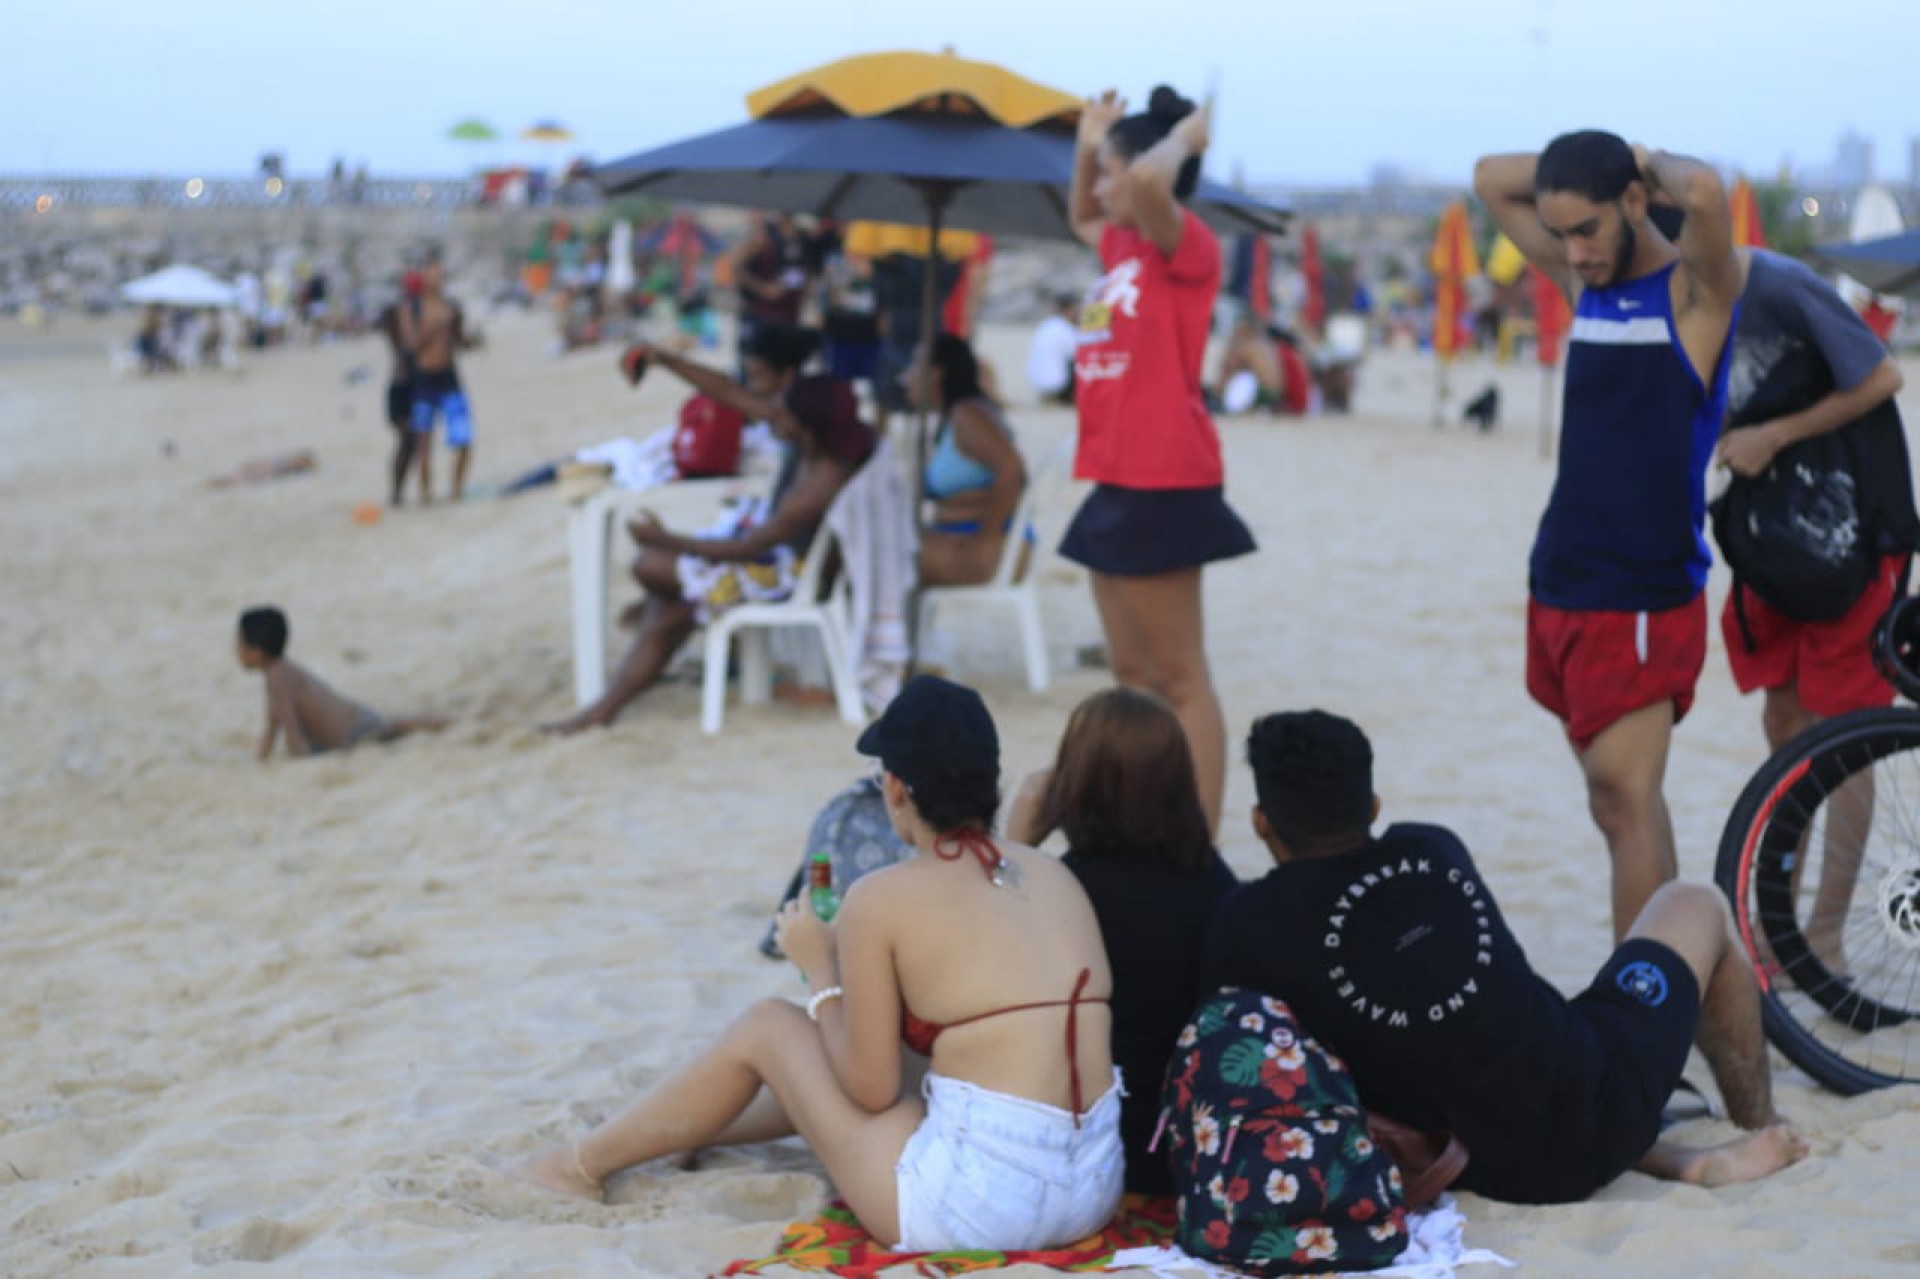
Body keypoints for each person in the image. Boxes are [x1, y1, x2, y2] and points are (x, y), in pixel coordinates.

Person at [515, 676, 1125, 1252]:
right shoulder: (1054, 875)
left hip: (978, 1207)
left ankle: (577, 1167)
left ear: (895, 790)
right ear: (993, 781)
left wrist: (822, 970)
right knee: (884, 1051)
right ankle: (677, 1127)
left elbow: (869, 1089)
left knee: (768, 1027)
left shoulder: (882, 897)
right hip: (1093, 1189)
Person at [1203, 709, 1808, 1204]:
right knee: (1695, 902)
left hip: (1467, 1166)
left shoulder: (1249, 923)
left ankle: (1676, 1156)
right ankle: (1757, 1122)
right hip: (1593, 1104)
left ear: (1261, 823)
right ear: (1374, 807)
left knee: (1447, 1069)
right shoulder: (1432, 849)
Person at [1474, 132, 1743, 940]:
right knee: (1623, 805)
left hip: (1639, 592)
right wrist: (1592, 171)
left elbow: (1706, 195)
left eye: (1587, 229)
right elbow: (1489, 178)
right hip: (1560, 577)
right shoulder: (1583, 283)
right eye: (1560, 234)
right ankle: (1677, 982)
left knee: (1622, 800)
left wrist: (1640, 161)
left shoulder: (1695, 295)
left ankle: (1642, 1001)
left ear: (1633, 202)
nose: (1573, 251)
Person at [1715, 246, 1916, 972]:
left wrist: (1773, 434)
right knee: (1784, 721)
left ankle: (1826, 931)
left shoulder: (1777, 284)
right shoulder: (1657, 298)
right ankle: (1778, 924)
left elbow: (1883, 375)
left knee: (1847, 733)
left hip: (1854, 528)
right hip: (1775, 534)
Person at [1064, 85, 1255, 833]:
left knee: (1180, 679)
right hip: (1113, 477)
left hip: (1165, 477)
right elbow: (1082, 213)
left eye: (1110, 174)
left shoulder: (1187, 248)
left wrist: (1186, 138)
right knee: (1131, 678)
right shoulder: (1121, 247)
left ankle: (1199, 845)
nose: (1100, 188)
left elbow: (1146, 182)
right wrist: (1089, 143)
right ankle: (1146, 830)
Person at [543, 329, 871, 735]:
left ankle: (605, 704)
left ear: (806, 429)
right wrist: (664, 359)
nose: (771, 417)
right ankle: (605, 706)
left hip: (784, 576)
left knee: (652, 567)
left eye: (781, 415)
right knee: (670, 605)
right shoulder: (815, 440)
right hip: (770, 561)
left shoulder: (819, 482)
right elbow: (728, 392)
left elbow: (749, 547)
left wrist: (664, 538)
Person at [1005, 687, 1236, 1195]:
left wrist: (1016, 839)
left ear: (1075, 780)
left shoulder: (1061, 888)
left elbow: (978, 955)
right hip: (1189, 1142)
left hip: (1093, 1146)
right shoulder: (1215, 882)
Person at [235, 607, 446, 758]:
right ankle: (448, 721)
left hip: (355, 733)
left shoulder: (277, 677)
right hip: (356, 721)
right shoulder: (281, 671)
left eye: (239, 644)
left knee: (395, 730)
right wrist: (261, 759)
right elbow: (272, 727)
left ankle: (450, 721)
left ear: (256, 651)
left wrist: (303, 758)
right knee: (396, 728)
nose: (236, 650)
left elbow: (293, 737)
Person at [912, 334, 1027, 587]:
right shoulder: (955, 417)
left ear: (936, 374)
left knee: (874, 558)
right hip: (966, 537)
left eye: (915, 367)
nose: (908, 376)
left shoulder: (967, 415)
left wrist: (987, 538)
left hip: (993, 547)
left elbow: (1012, 470)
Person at [397, 257, 479, 502]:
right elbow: (411, 344)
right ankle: (426, 494)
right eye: (433, 273)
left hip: (449, 379)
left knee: (464, 439)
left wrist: (469, 337)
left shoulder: (451, 307)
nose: (437, 278)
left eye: (440, 273)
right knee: (423, 444)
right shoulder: (412, 308)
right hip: (423, 381)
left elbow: (460, 342)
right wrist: (436, 324)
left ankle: (456, 490)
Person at [376, 271, 423, 507]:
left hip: (411, 384)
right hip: (403, 385)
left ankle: (398, 493)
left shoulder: (406, 313)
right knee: (408, 440)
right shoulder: (399, 315)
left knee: (411, 442)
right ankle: (396, 493)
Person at [1025, 293, 1080, 406]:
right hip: (1057, 387)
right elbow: (1079, 354)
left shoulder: (1046, 325)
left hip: (1039, 385)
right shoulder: (1065, 328)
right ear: (1068, 310)